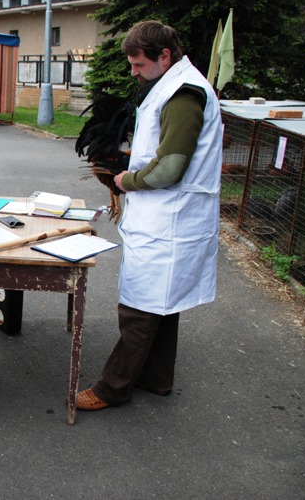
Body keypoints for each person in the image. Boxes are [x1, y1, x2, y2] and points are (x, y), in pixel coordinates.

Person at [77, 21, 223, 411]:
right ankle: (156, 379)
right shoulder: (174, 86)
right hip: (168, 218)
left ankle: (113, 388)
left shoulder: (183, 94)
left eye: (139, 64)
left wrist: (127, 179)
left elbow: (169, 168)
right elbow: (164, 154)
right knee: (164, 302)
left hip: (170, 220)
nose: (133, 72)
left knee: (140, 307)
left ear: (164, 56)